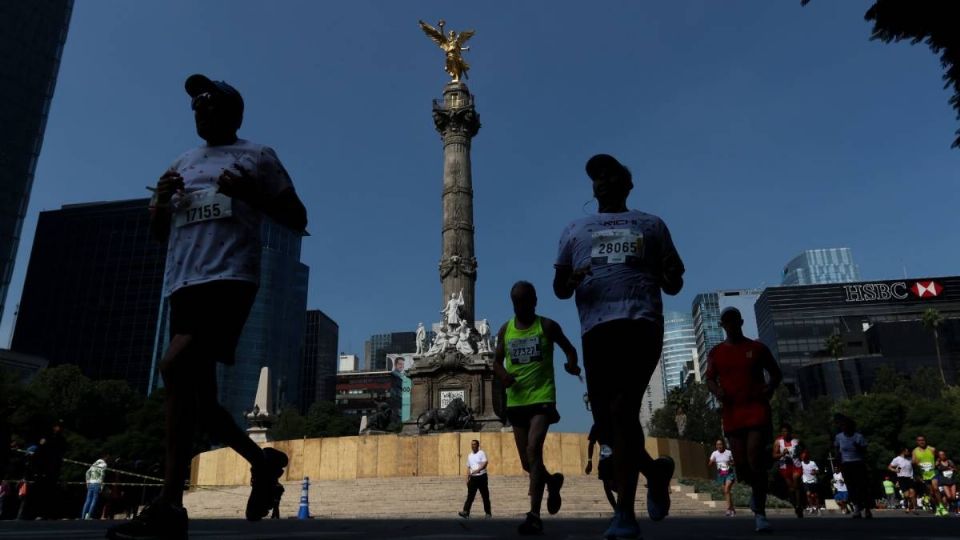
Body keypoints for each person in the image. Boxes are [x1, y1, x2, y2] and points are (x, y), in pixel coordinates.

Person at [107, 74, 305, 540]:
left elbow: (297, 217)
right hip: (183, 283)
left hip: (229, 278)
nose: (199, 109)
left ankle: (170, 505)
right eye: (195, 104)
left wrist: (251, 195)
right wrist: (159, 202)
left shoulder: (258, 156)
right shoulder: (181, 162)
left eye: (209, 102)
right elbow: (161, 233)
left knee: (174, 365)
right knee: (202, 402)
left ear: (233, 111)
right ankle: (263, 462)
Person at [554, 153, 684, 540]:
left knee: (622, 409)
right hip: (595, 329)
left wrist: (665, 273)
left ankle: (625, 513)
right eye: (597, 178)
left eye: (611, 176)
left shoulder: (652, 224)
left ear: (628, 185)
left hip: (641, 322)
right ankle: (655, 473)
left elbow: (675, 281)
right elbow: (560, 289)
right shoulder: (574, 229)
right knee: (610, 424)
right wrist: (574, 277)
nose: (603, 182)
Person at [492, 281, 580, 535]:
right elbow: (495, 363)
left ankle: (534, 515)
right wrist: (504, 375)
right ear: (513, 303)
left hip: (542, 399)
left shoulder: (547, 326)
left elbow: (570, 350)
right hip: (516, 402)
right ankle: (552, 481)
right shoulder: (505, 330)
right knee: (527, 462)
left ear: (534, 301)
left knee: (533, 449)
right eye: (517, 302)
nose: (521, 305)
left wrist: (571, 365)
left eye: (525, 300)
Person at [705, 307, 782, 533]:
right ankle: (756, 493)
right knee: (741, 463)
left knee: (754, 456)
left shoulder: (756, 348)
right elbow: (709, 379)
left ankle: (759, 511)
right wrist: (717, 390)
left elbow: (775, 373)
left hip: (756, 409)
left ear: (740, 322)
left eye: (734, 321)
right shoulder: (716, 353)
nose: (731, 325)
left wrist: (769, 389)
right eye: (726, 322)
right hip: (732, 413)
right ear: (722, 325)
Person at [834, 415, 871, 518]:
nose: (845, 428)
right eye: (843, 426)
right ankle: (857, 508)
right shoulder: (839, 437)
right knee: (851, 487)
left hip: (858, 463)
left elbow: (865, 451)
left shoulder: (858, 436)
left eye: (847, 426)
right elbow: (837, 451)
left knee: (862, 487)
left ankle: (867, 509)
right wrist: (838, 463)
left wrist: (859, 447)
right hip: (846, 464)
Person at [773, 422, 804, 518]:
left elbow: (804, 449)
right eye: (782, 431)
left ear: (790, 432)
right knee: (791, 488)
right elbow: (774, 455)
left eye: (786, 431)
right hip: (785, 466)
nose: (784, 433)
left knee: (796, 482)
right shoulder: (778, 442)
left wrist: (802, 454)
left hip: (796, 465)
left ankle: (799, 505)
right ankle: (795, 505)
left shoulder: (796, 441)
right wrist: (782, 454)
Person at [586, 424, 617, 512]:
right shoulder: (597, 425)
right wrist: (589, 461)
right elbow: (591, 443)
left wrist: (589, 462)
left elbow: (591, 443)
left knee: (610, 485)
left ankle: (619, 509)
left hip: (613, 453)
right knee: (607, 485)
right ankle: (617, 509)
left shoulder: (602, 423)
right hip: (607, 454)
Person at [912, 435, 945, 516]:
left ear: (925, 441)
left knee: (936, 488)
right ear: (917, 442)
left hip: (933, 473)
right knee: (931, 493)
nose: (921, 442)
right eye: (919, 440)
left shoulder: (932, 449)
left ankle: (942, 507)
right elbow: (913, 461)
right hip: (924, 475)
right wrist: (918, 463)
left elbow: (939, 456)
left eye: (923, 440)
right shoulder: (915, 451)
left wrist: (937, 461)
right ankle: (937, 508)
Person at [459, 439, 491, 519]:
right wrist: (467, 478)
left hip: (482, 477)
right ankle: (466, 512)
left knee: (485, 496)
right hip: (473, 478)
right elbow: (468, 467)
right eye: (472, 444)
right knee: (470, 496)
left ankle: (488, 513)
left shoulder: (481, 453)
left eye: (474, 444)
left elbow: (485, 463)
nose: (473, 446)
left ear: (478, 445)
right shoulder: (470, 455)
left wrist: (477, 470)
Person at [708, 439, 736, 517]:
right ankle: (732, 509)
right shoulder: (714, 453)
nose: (719, 446)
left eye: (720, 444)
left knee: (727, 489)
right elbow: (709, 464)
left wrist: (730, 463)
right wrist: (712, 461)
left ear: (723, 445)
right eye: (717, 445)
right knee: (726, 492)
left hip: (729, 474)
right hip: (721, 474)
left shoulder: (729, 452)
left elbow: (734, 463)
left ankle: (728, 509)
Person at [889, 447, 917, 514]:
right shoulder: (897, 459)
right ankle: (907, 506)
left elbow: (915, 462)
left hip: (910, 478)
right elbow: (889, 467)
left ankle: (914, 508)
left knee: (912, 493)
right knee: (907, 495)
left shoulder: (909, 459)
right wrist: (895, 470)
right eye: (907, 451)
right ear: (903, 452)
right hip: (902, 479)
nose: (908, 452)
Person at [935, 450, 956, 515]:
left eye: (943, 454)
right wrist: (938, 461)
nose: (942, 456)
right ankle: (946, 504)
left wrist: (953, 469)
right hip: (944, 482)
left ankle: (950, 504)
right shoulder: (939, 462)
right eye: (940, 455)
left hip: (951, 480)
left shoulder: (949, 461)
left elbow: (955, 468)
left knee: (954, 497)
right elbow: (935, 467)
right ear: (939, 456)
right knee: (949, 496)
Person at [799, 451, 820, 515]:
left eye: (804, 457)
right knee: (808, 494)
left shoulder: (812, 463)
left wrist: (815, 472)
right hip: (806, 480)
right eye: (802, 457)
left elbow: (817, 471)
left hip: (813, 480)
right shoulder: (801, 463)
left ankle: (817, 508)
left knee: (815, 495)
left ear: (807, 457)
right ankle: (811, 508)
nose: (803, 459)